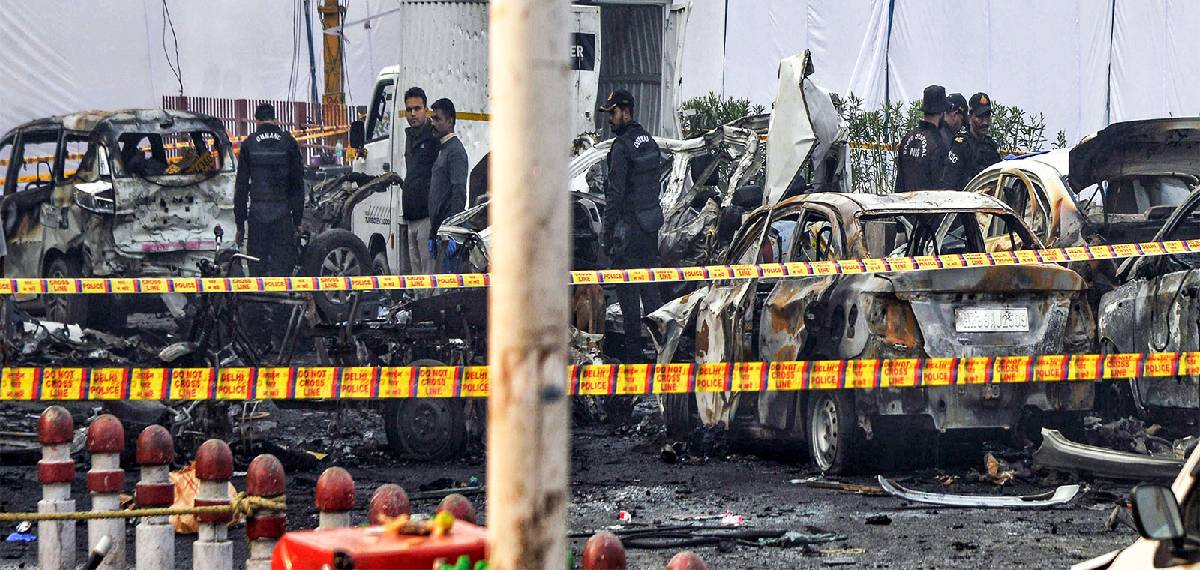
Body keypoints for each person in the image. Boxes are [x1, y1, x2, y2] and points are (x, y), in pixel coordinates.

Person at [599, 89, 664, 361]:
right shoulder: (649, 142)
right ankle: (663, 353)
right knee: (651, 294)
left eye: (613, 113)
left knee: (627, 297)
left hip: (627, 233)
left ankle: (634, 359)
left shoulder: (621, 147)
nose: (610, 119)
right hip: (649, 227)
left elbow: (615, 195)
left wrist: (607, 233)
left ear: (626, 112)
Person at [234, 102, 305, 277]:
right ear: (275, 119)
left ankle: (259, 295)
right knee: (282, 270)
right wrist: (297, 220)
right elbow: (297, 184)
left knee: (257, 271)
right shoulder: (288, 142)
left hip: (257, 216)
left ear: (256, 120)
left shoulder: (249, 144)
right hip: (282, 216)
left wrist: (240, 225)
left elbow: (241, 187)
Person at [402, 87, 439, 274]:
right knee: (416, 273)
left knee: (428, 272)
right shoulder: (409, 136)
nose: (413, 113)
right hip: (411, 215)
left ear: (426, 110)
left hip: (427, 216)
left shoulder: (433, 137)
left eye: (417, 108)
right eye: (409, 109)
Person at [427, 98, 468, 250]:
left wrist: (453, 233)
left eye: (437, 119)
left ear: (450, 121)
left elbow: (459, 193)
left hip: (447, 235)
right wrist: (432, 234)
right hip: (439, 233)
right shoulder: (443, 149)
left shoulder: (455, 151)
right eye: (432, 119)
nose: (433, 123)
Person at [894, 85, 950, 192]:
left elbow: (899, 181)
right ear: (941, 112)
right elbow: (939, 185)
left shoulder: (907, 138)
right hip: (927, 201)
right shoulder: (939, 143)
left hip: (904, 200)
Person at [942, 92, 1002, 190]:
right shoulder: (961, 145)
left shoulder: (991, 146)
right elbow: (949, 182)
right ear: (970, 118)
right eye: (980, 117)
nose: (985, 122)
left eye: (987, 116)